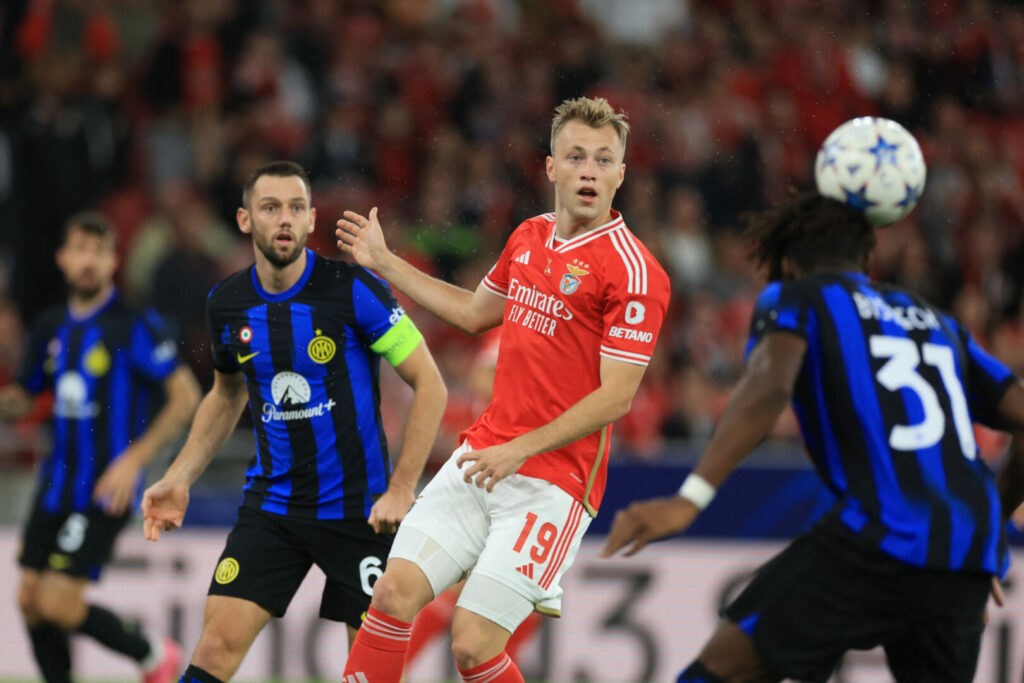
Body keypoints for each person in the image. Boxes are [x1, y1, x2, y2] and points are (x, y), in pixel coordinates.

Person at [601, 191, 1024, 683]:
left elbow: (767, 388)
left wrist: (690, 498)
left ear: (786, 264)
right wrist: (989, 521)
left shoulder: (798, 299)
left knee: (719, 672)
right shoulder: (939, 323)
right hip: (962, 552)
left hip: (875, 536)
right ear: (868, 259)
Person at [335, 96, 671, 683]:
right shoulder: (528, 236)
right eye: (576, 156)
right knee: (389, 594)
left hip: (555, 483)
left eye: (603, 159)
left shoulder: (635, 272)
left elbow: (618, 397)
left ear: (621, 174)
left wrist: (523, 447)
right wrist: (385, 262)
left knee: (472, 645)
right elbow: (471, 312)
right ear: (551, 168)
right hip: (481, 457)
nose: (589, 170)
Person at [140, 160, 447, 683]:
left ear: (310, 221)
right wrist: (180, 475)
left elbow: (431, 384)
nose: (284, 219)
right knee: (213, 649)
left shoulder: (352, 289)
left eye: (296, 208)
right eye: (270, 207)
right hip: (274, 509)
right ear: (244, 220)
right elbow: (225, 394)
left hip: (361, 513)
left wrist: (400, 489)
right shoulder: (227, 304)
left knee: (370, 672)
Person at [0, 211, 202, 683]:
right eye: (80, 250)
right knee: (30, 598)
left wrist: (134, 459)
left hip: (104, 486)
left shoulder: (132, 324)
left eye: (99, 251)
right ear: (63, 258)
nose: (89, 260)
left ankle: (152, 653)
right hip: (56, 482)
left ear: (113, 260)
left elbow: (186, 396)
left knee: (55, 600)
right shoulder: (50, 325)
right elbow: (26, 395)